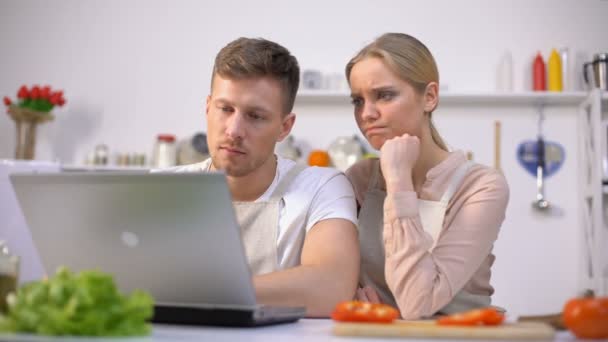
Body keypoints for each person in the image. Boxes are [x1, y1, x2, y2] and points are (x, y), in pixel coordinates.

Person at [163, 37, 359, 317]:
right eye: (225, 109)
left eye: (255, 116)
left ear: (284, 127)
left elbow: (332, 288)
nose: (234, 130)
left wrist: (198, 293)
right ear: (208, 108)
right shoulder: (164, 187)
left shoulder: (321, 186)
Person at [344, 33, 509, 319]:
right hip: (374, 335)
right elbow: (336, 278)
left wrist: (398, 180)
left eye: (384, 95)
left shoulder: (480, 187)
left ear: (429, 97)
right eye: (358, 100)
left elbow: (417, 304)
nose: (366, 114)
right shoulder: (359, 179)